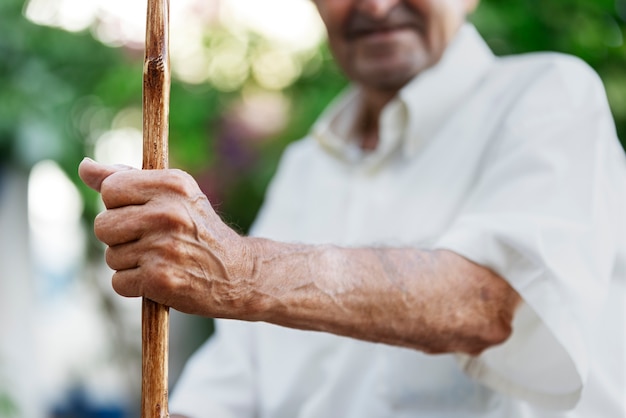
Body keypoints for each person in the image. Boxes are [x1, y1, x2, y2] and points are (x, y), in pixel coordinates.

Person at [78, 0, 626, 416]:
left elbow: (491, 302)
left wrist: (242, 272)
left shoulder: (549, 97)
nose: (376, 6)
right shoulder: (305, 167)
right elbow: (232, 386)